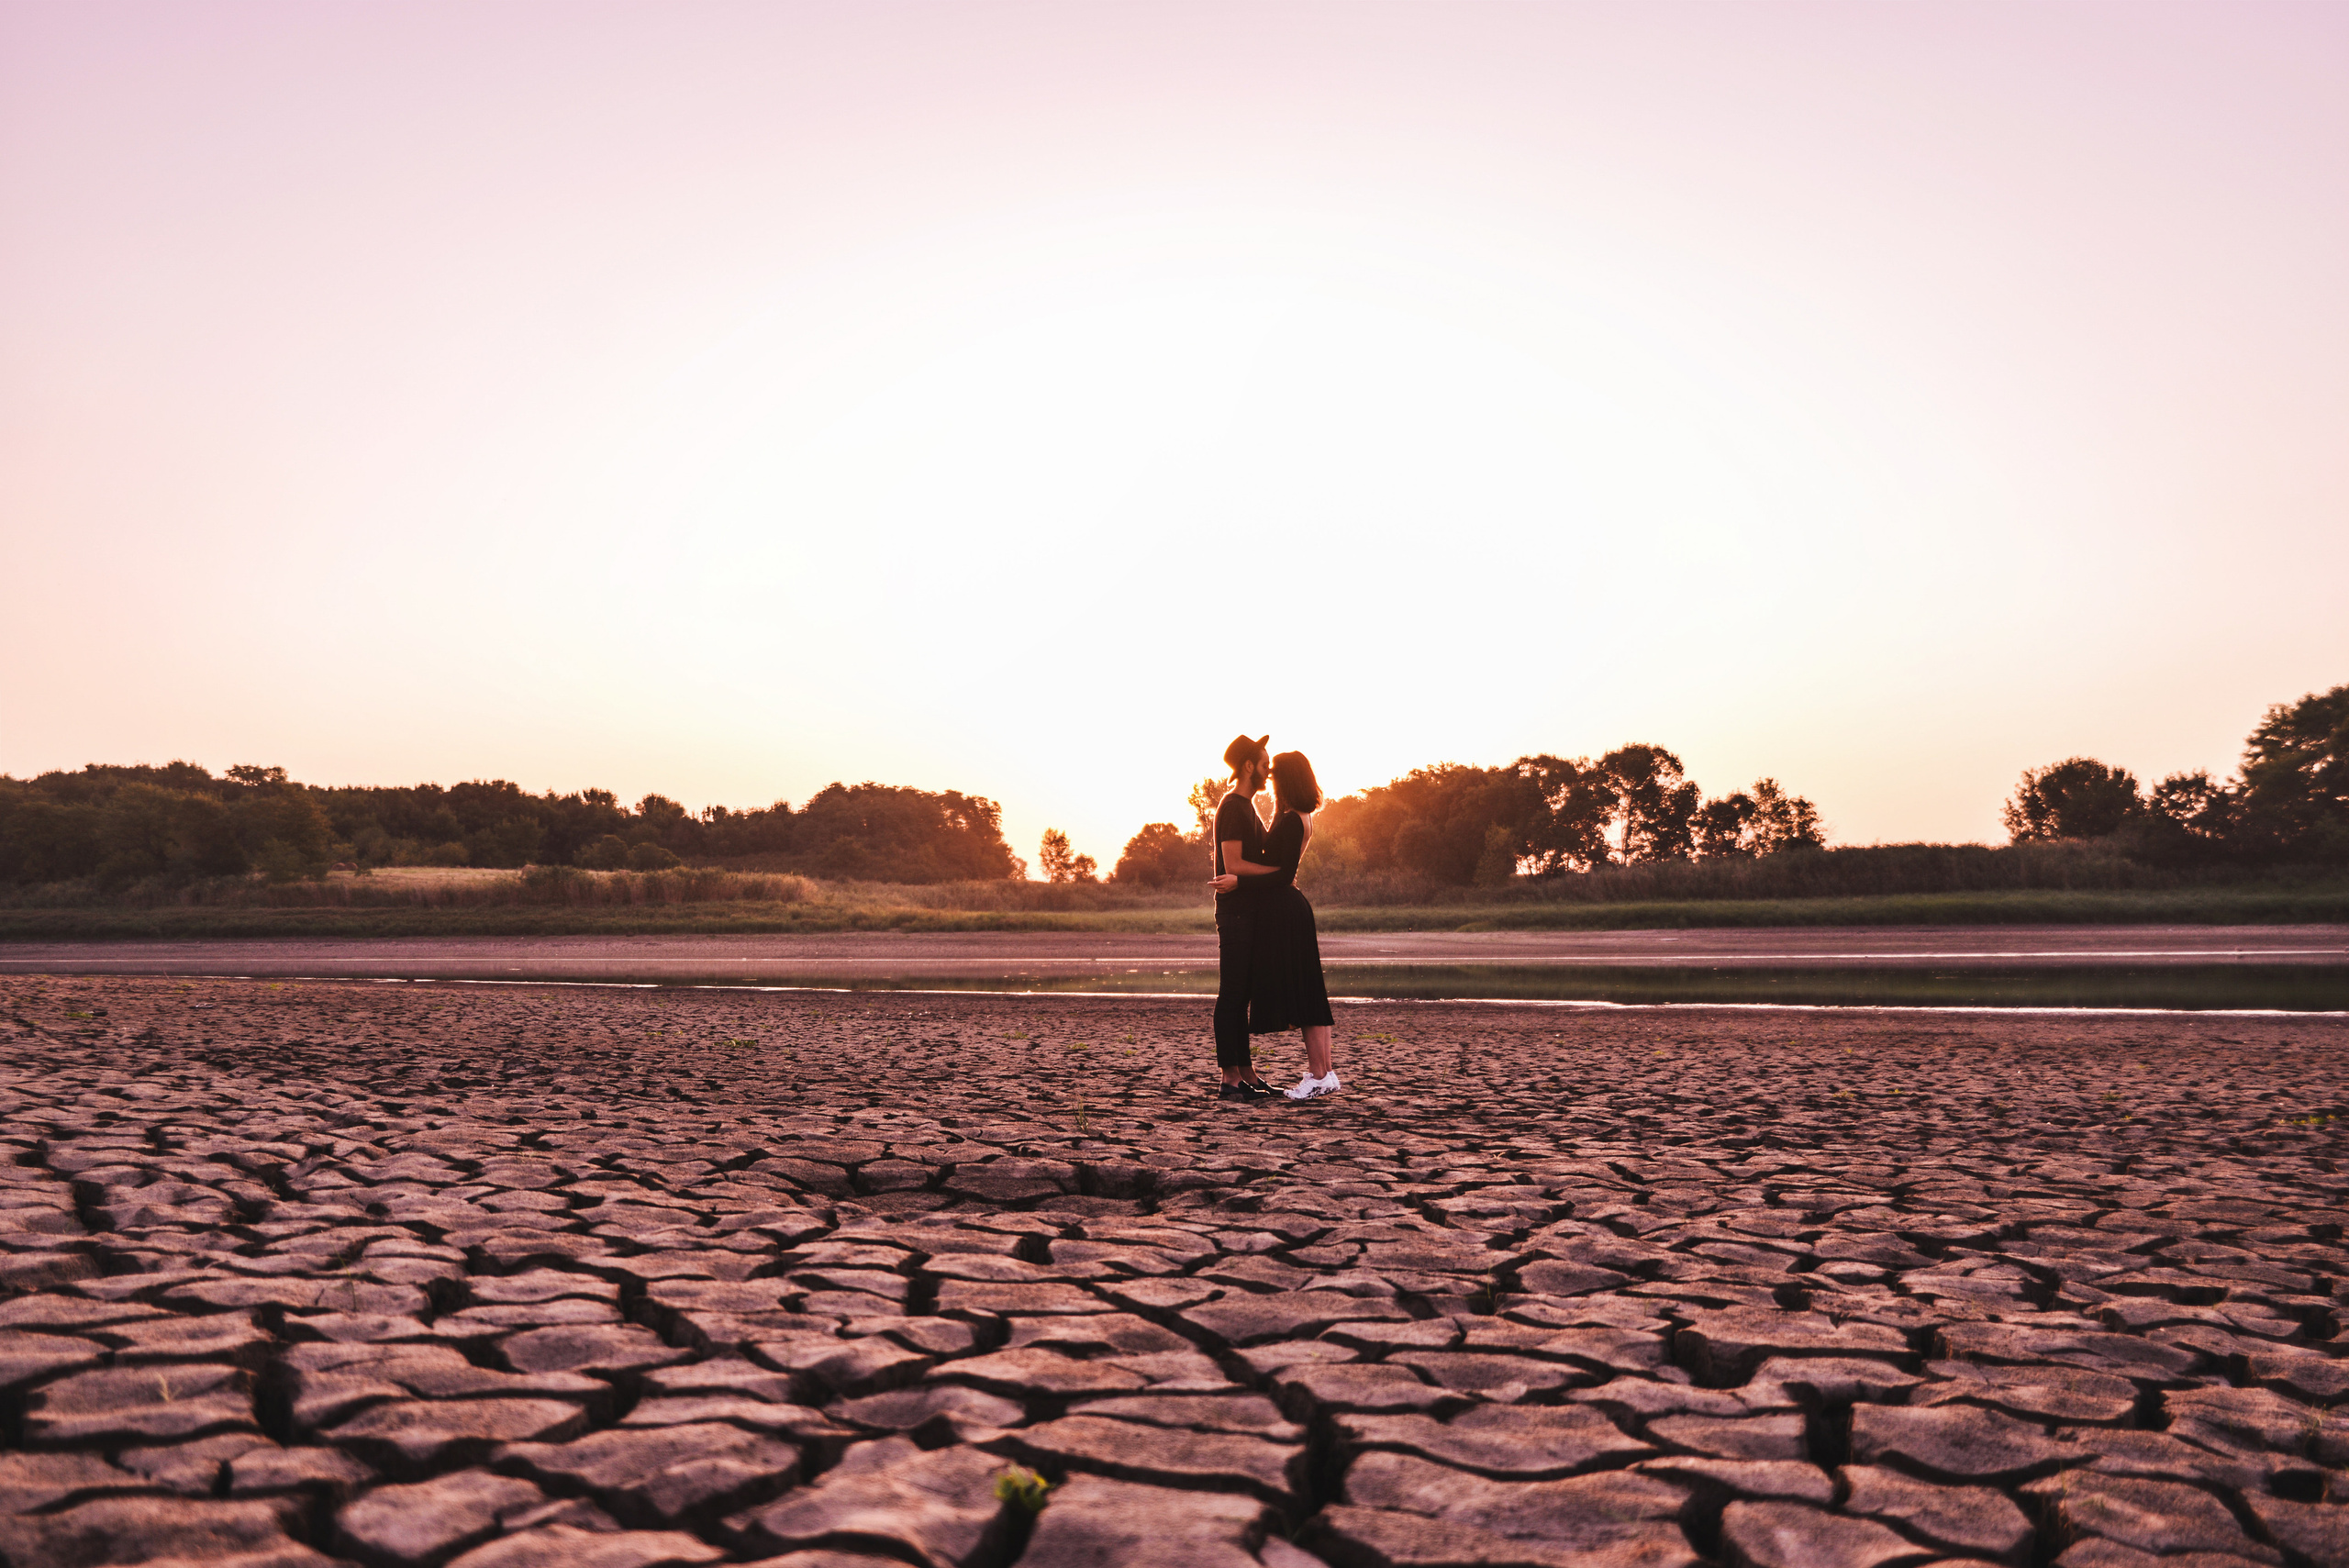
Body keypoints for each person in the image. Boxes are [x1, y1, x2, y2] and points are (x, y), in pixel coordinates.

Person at [1249, 751, 1338, 1099]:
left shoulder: (1290, 820)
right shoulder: (1301, 815)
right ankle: (1325, 1073)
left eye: (1274, 778)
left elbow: (1283, 873)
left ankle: (1317, 1076)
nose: (1270, 783)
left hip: (1287, 908)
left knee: (1304, 995)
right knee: (1311, 992)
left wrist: (1238, 882)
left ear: (1286, 780)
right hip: (1293, 907)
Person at [1207, 734, 1280, 1102]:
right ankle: (1229, 1078)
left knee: (1243, 993)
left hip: (1248, 912)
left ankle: (1246, 1073)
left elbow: (1266, 852)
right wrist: (1276, 874)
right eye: (1265, 763)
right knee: (1232, 994)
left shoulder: (1248, 807)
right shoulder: (1234, 807)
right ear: (1249, 766)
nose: (1269, 769)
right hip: (1235, 915)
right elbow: (1233, 864)